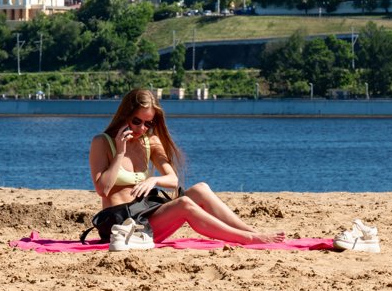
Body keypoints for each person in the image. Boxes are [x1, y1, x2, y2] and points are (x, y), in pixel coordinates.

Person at [89, 88, 285, 245]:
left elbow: (173, 180)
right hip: (121, 224)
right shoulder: (102, 142)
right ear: (125, 115)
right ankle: (247, 239)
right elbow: (102, 189)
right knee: (183, 204)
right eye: (136, 121)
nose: (141, 129)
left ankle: (252, 233)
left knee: (201, 189)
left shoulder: (151, 142)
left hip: (147, 215)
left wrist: (154, 179)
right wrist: (120, 152)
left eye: (148, 124)